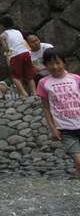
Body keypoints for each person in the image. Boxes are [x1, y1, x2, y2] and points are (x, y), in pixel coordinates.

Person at [35, 49, 80, 179]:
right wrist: (53, 129)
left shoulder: (76, 79)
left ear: (64, 63)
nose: (55, 67)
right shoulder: (44, 83)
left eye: (58, 63)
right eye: (50, 64)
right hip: (65, 130)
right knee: (78, 162)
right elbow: (46, 108)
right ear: (45, 65)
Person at [0, 15, 36, 98]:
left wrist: (3, 43)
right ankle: (34, 93)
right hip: (26, 52)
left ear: (2, 26)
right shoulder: (18, 32)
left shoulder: (3, 35)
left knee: (15, 76)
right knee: (29, 75)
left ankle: (23, 93)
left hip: (16, 55)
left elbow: (7, 49)